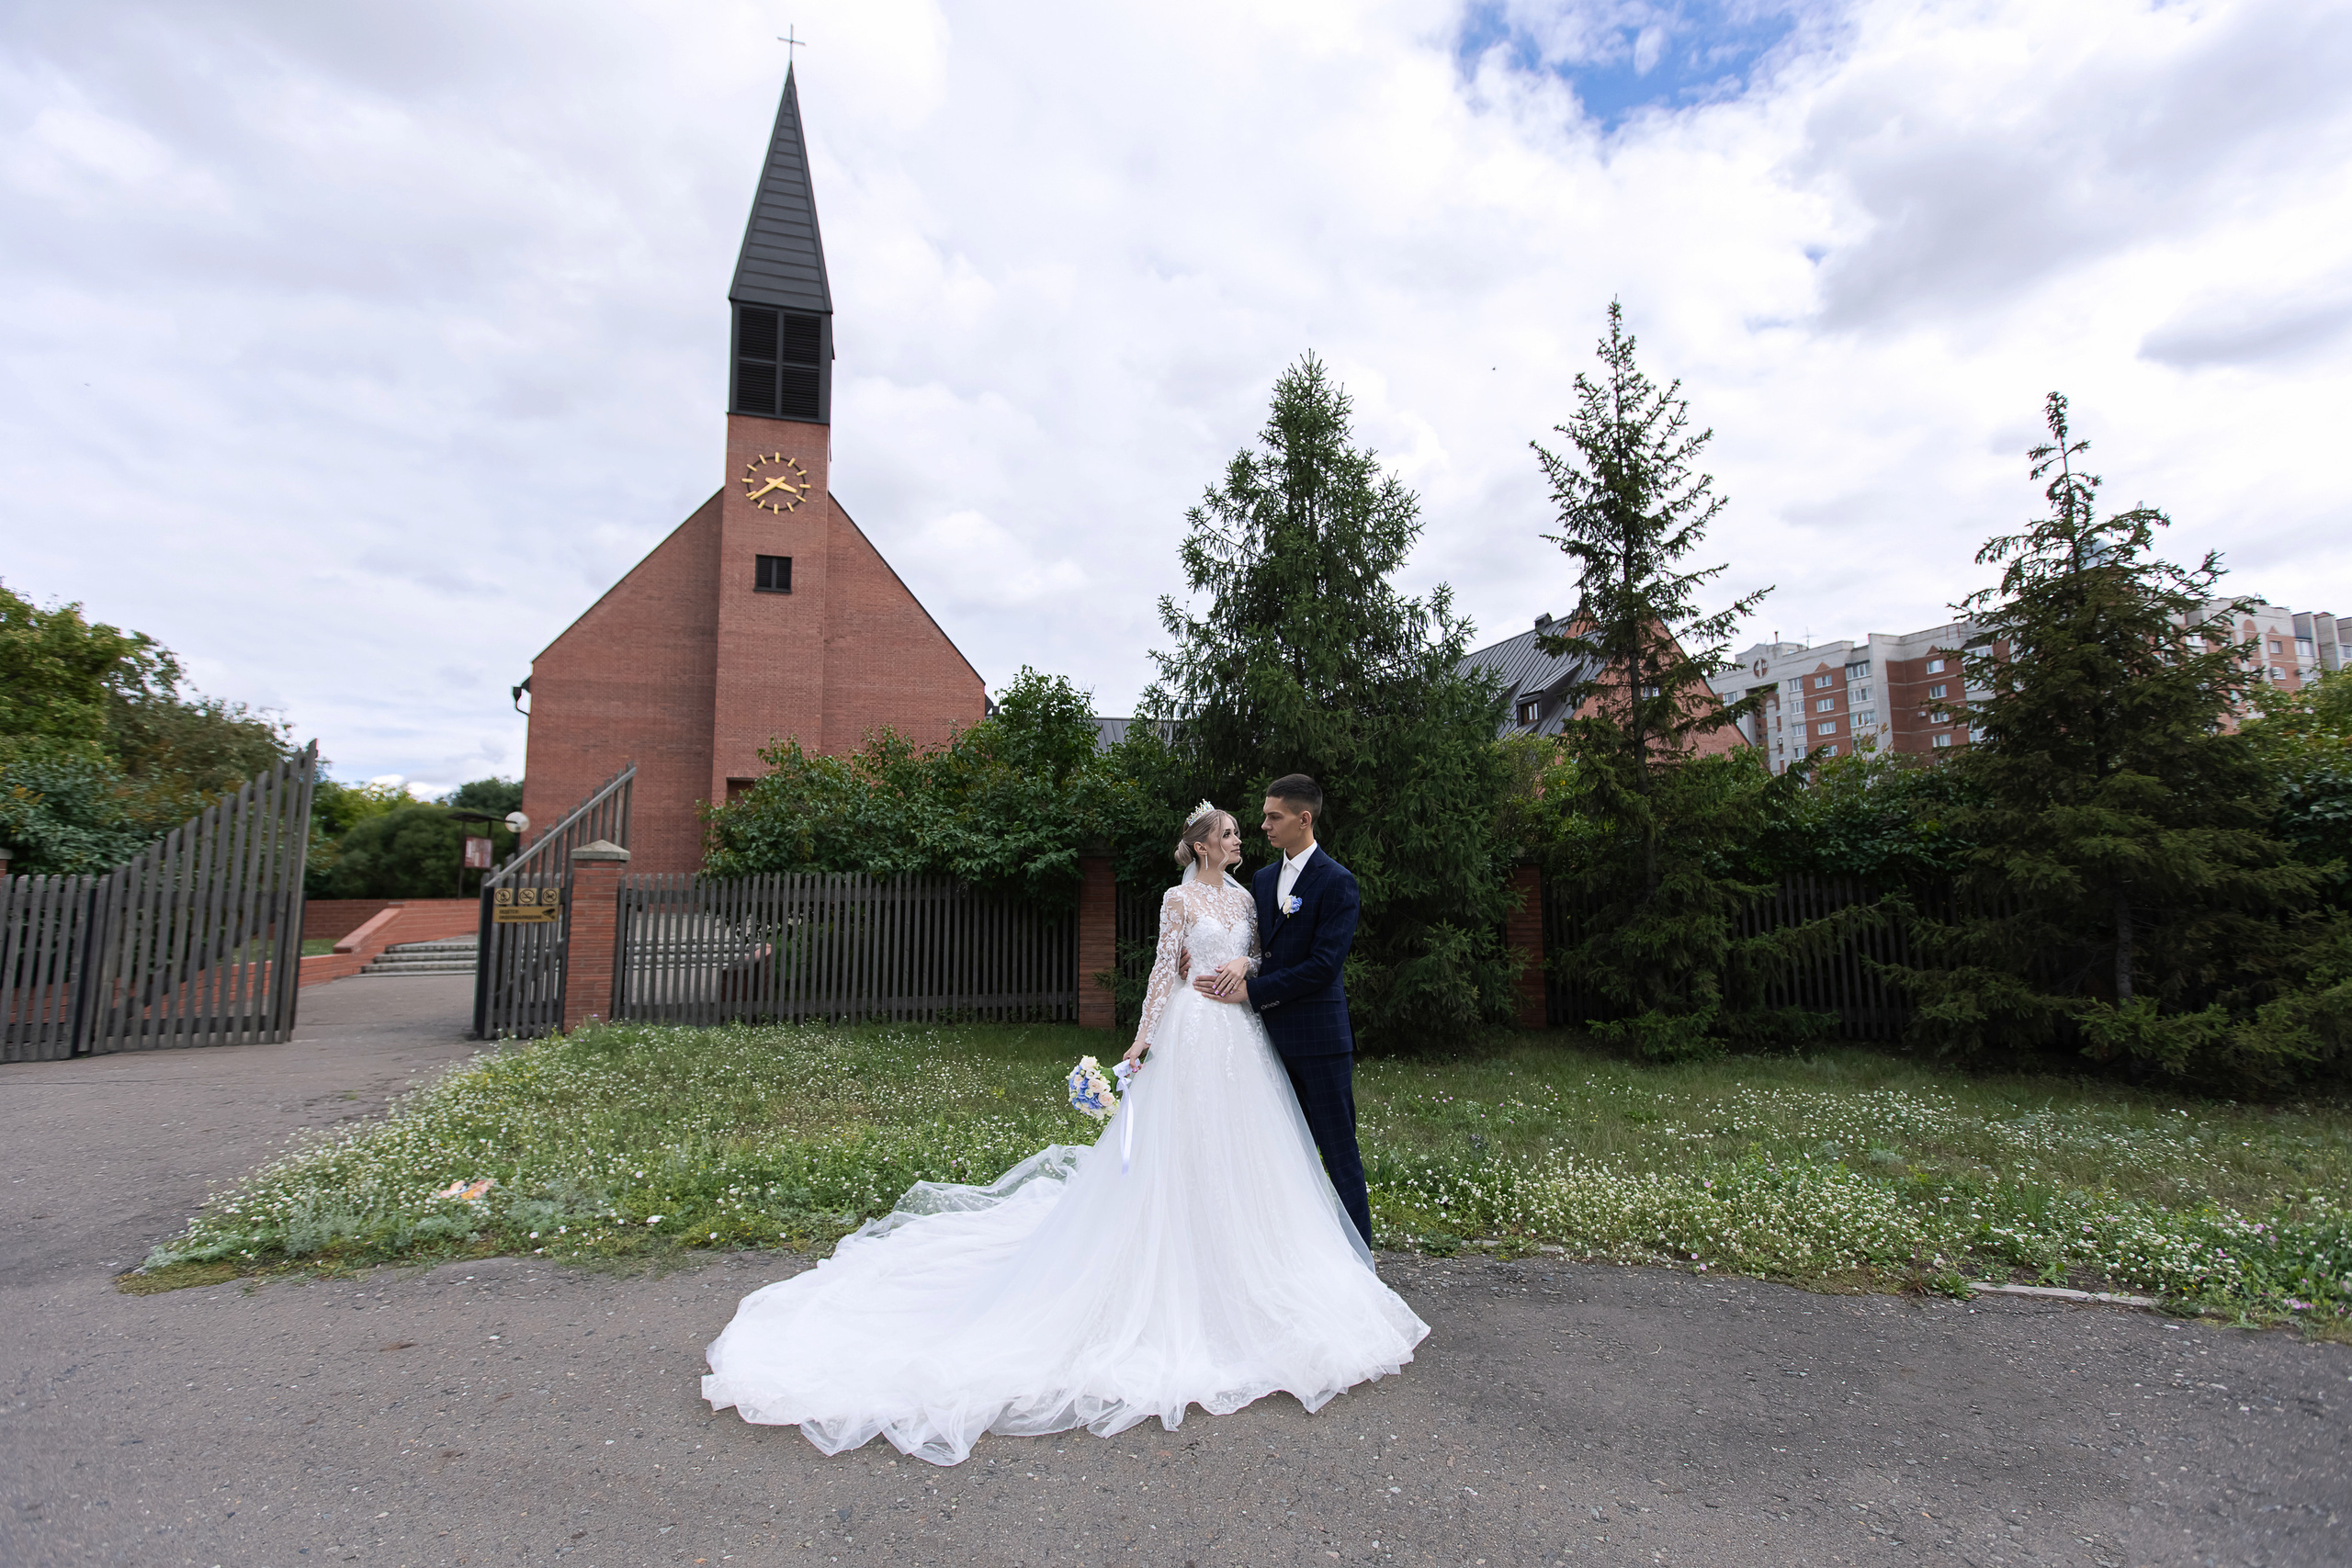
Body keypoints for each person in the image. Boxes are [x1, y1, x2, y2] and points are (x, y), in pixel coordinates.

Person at [700, 802, 1427, 1466]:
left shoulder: (1247, 896)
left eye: (1248, 827)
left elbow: (1268, 958)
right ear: (1203, 843)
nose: (1242, 837)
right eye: (1231, 830)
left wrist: (1245, 961)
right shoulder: (1180, 898)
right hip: (1190, 1038)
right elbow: (1160, 976)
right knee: (1177, 1159)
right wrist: (1142, 1043)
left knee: (1248, 1159)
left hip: (1240, 1037)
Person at [1187, 773, 1371, 1246]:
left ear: (1303, 819)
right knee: (1282, 1155)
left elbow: (1324, 966)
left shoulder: (1337, 881)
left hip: (1318, 1041)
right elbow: (1257, 948)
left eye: (1274, 816)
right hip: (1265, 1042)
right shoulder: (1263, 880)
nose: (1264, 824)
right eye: (1265, 815)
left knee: (1338, 1151)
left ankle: (1359, 1257)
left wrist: (1253, 989)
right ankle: (1298, 1250)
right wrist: (1200, 957)